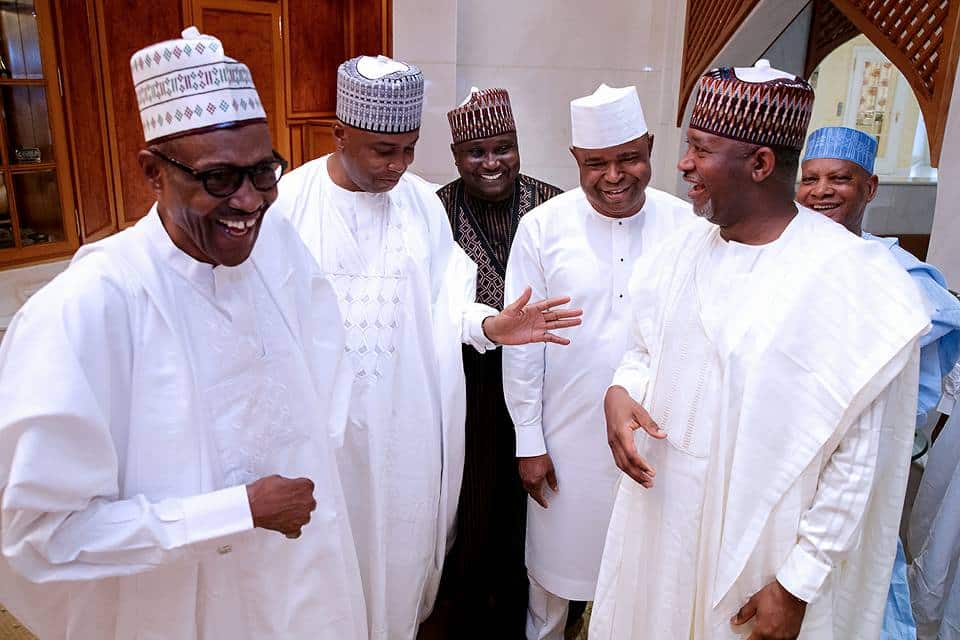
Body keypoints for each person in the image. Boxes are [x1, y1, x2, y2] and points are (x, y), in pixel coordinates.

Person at [0, 28, 366, 639]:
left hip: (299, 581)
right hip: (176, 609)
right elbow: (41, 536)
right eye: (219, 178)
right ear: (153, 172)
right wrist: (235, 512)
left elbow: (326, 379)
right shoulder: (88, 308)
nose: (248, 201)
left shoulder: (275, 245)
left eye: (263, 172)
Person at [590, 60, 930, 640]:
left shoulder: (850, 278)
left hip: (764, 557)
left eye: (700, 149)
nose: (683, 164)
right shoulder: (680, 252)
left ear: (761, 164)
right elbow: (645, 349)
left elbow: (858, 458)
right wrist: (621, 392)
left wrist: (798, 582)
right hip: (664, 527)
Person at [273, 55, 582, 640]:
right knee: (323, 571)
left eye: (409, 149)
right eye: (383, 150)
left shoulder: (419, 205)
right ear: (340, 134)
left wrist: (490, 326)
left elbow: (446, 304)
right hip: (322, 434)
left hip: (407, 430)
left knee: (402, 563)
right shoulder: (289, 203)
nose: (399, 165)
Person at [503, 84, 692, 640]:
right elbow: (523, 345)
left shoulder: (687, 225)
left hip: (658, 440)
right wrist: (529, 439)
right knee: (553, 583)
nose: (614, 176)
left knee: (642, 584)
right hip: (566, 440)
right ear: (575, 160)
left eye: (629, 158)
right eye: (596, 163)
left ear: (650, 146)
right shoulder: (543, 227)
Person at [797, 125, 960, 640]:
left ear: (870, 187)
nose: (822, 191)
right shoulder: (776, 258)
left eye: (840, 179)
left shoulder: (903, 278)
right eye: (810, 178)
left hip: (860, 468)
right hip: (781, 461)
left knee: (849, 590)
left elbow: (910, 399)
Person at [433, 87, 564, 637]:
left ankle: (526, 621)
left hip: (543, 384)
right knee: (472, 505)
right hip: (469, 385)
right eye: (476, 152)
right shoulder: (437, 210)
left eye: (503, 148)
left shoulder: (553, 205)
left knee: (533, 511)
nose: (492, 162)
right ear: (456, 156)